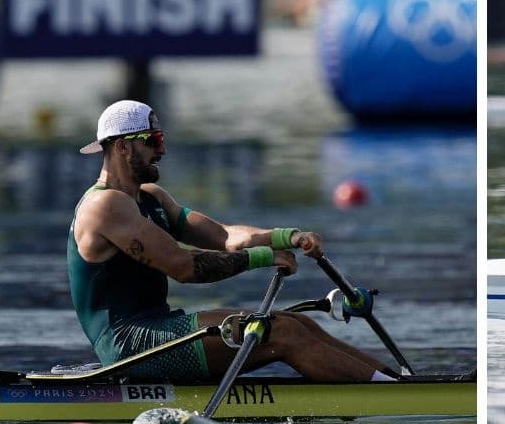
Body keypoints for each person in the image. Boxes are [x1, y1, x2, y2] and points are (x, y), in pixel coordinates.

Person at [68, 100, 399, 383]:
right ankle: (395, 396)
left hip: (158, 329)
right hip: (129, 346)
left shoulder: (151, 197)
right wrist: (263, 258)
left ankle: (396, 382)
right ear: (123, 146)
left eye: (162, 139)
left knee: (299, 323)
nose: (163, 150)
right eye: (153, 140)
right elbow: (185, 267)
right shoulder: (104, 206)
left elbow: (223, 236)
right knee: (283, 333)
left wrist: (288, 237)